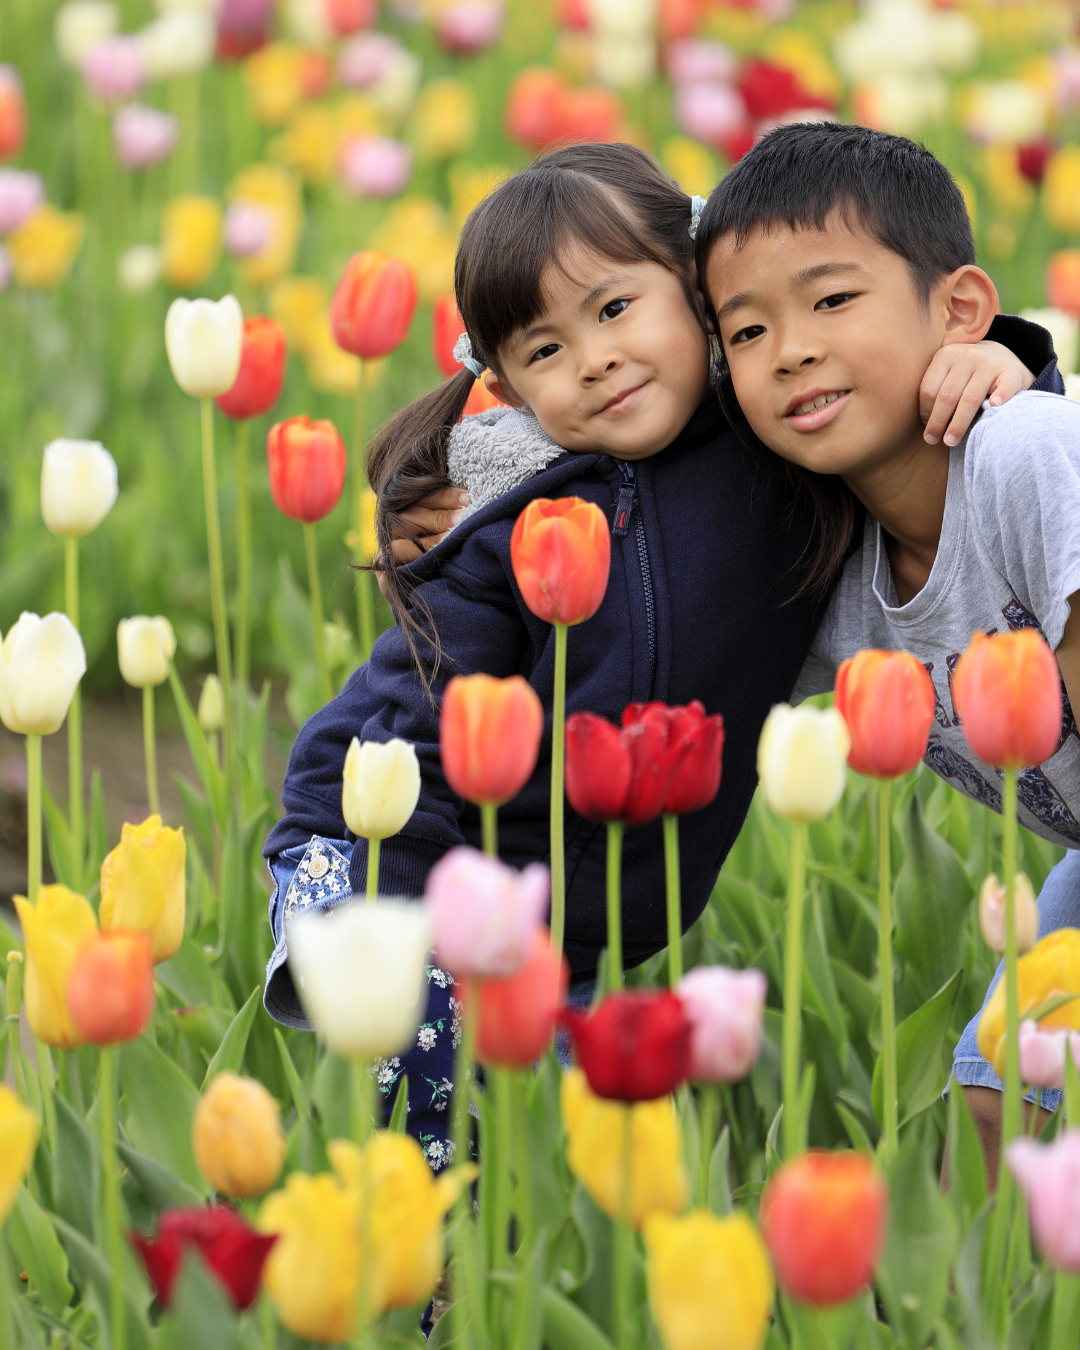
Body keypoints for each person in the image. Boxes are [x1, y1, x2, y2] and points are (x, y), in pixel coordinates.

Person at [264, 141, 1056, 1171]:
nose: (592, 359)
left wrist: (1007, 361)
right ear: (505, 384)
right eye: (543, 352)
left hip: (581, 931)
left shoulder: (780, 440)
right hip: (392, 855)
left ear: (693, 298)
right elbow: (406, 722)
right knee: (433, 1154)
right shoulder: (511, 527)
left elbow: (925, 415)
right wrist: (387, 911)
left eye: (612, 311)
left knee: (543, 1177)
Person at [693, 120, 1076, 1176]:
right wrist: (458, 488)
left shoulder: (1026, 458)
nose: (794, 349)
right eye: (748, 332)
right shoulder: (823, 576)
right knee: (1000, 1114)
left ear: (958, 308)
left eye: (831, 300)